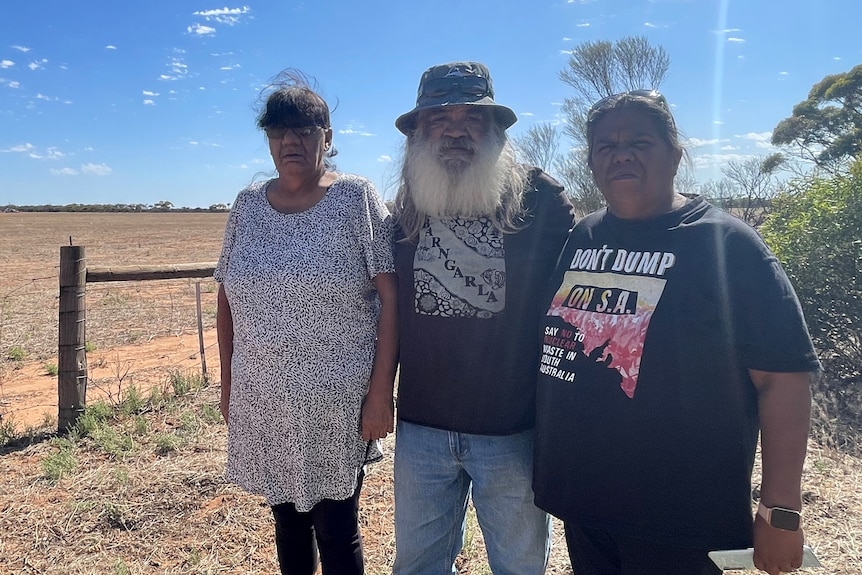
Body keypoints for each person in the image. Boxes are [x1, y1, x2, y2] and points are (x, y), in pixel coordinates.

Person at [532, 90, 821, 575]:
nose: (621, 153)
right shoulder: (582, 237)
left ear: (676, 154)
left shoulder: (727, 244)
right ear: (591, 162)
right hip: (585, 504)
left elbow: (783, 380)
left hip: (682, 520)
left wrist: (780, 512)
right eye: (605, 145)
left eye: (639, 141)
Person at [391, 61, 575, 575]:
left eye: (470, 117)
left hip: (511, 430)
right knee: (417, 566)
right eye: (437, 118)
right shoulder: (406, 208)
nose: (453, 129)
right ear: (418, 134)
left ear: (495, 129)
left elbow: (573, 314)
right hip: (420, 429)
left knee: (519, 567)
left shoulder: (542, 201)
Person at [214, 70, 397, 575]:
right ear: (269, 140)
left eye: (305, 130)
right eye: (278, 131)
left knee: (337, 527)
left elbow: (390, 297)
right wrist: (230, 385)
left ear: (328, 138)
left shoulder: (355, 199)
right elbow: (227, 299)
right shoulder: (247, 208)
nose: (290, 140)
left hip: (337, 401)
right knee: (287, 522)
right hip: (264, 396)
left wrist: (381, 391)